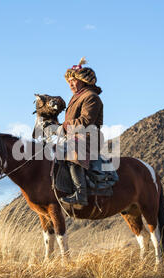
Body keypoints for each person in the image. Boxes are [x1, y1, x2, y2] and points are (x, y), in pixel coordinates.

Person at [59, 58, 104, 208]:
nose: (71, 84)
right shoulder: (77, 97)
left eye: (74, 80)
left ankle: (81, 194)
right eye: (69, 81)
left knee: (73, 152)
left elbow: (85, 121)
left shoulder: (91, 97)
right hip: (75, 136)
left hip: (89, 138)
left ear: (83, 81)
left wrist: (64, 127)